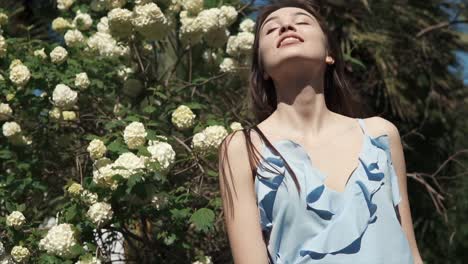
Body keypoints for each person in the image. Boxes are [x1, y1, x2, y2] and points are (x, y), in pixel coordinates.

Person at [218, 0, 424, 263]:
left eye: (302, 21)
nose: (287, 26)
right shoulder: (242, 148)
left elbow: (411, 251)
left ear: (329, 54)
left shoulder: (380, 135)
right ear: (263, 69)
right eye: (270, 29)